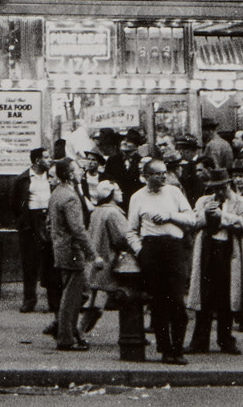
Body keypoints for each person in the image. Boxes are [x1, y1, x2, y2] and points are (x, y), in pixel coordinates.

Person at [128, 156, 200, 364]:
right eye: (157, 174)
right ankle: (166, 349)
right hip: (152, 250)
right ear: (146, 176)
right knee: (158, 302)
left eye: (164, 173)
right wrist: (141, 251)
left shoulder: (174, 193)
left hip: (174, 249)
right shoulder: (137, 198)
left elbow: (191, 218)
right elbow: (131, 230)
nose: (162, 177)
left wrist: (170, 216)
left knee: (177, 301)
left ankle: (178, 348)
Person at [186, 167, 243, 355]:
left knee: (227, 296)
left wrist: (223, 217)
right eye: (214, 188)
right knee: (204, 296)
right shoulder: (203, 201)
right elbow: (193, 222)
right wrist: (206, 215)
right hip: (208, 250)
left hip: (229, 252)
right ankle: (200, 340)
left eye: (222, 188)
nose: (218, 192)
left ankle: (226, 340)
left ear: (228, 184)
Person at [83, 179, 144, 361]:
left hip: (96, 261)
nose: (121, 193)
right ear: (110, 194)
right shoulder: (114, 214)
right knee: (100, 301)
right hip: (110, 261)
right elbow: (123, 237)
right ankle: (77, 331)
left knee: (95, 298)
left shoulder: (97, 211)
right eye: (117, 190)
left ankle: (75, 330)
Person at [44, 158, 94, 350]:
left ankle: (70, 332)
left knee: (74, 293)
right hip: (73, 251)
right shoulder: (70, 197)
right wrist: (92, 254)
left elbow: (50, 223)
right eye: (78, 169)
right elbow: (78, 229)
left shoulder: (57, 193)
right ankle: (66, 336)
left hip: (61, 248)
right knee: (72, 296)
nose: (82, 171)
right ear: (71, 174)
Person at [12, 147, 55, 314]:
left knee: (51, 261)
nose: (50, 159)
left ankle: (53, 300)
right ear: (37, 160)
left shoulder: (51, 177)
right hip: (31, 221)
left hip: (48, 218)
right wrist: (24, 221)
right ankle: (29, 299)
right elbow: (15, 204)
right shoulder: (23, 179)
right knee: (30, 262)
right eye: (46, 157)